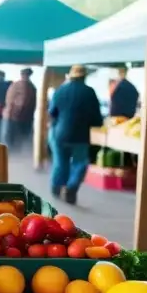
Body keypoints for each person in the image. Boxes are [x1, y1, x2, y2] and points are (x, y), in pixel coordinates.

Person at [48, 65, 103, 204]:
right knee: (79, 163)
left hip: (60, 133)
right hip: (80, 135)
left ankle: (56, 186)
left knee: (60, 162)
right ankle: (71, 188)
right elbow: (96, 117)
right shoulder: (89, 92)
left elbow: (52, 112)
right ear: (84, 76)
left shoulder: (60, 90)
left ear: (70, 76)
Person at [4, 67, 37, 149]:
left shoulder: (15, 84)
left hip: (13, 115)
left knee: (12, 137)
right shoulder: (30, 86)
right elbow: (23, 102)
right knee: (19, 138)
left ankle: (13, 153)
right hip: (21, 116)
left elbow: (20, 101)